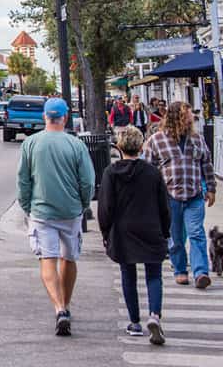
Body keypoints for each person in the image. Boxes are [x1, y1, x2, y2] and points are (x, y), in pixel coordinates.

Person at [16, 98, 95, 336]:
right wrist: (83, 204)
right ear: (65, 117)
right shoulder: (76, 145)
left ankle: (58, 308)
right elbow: (87, 181)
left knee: (47, 259)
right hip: (70, 211)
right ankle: (67, 305)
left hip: (41, 211)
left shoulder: (30, 144)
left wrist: (27, 206)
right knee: (69, 258)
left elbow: (23, 180)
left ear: (44, 117)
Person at [99, 125, 170, 345]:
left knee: (128, 275)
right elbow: (163, 206)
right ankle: (155, 316)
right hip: (150, 227)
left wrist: (105, 231)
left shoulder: (111, 173)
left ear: (119, 146)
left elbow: (106, 207)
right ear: (141, 146)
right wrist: (165, 231)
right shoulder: (152, 172)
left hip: (123, 230)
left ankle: (134, 323)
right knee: (154, 275)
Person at [142, 100, 217, 290]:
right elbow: (148, 169)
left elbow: (206, 164)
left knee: (196, 233)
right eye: (189, 115)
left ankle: (201, 272)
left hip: (194, 195)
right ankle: (180, 270)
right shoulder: (157, 140)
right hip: (169, 196)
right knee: (174, 237)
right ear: (179, 118)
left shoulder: (197, 139)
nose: (192, 118)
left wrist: (211, 188)